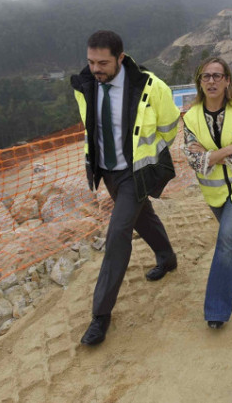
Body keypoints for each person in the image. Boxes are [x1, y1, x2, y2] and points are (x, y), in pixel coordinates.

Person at [71, 30, 179, 346]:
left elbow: (170, 126)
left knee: (118, 232)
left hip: (136, 172)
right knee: (140, 214)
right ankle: (167, 256)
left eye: (102, 62)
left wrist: (151, 156)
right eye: (91, 61)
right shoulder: (85, 84)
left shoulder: (149, 87)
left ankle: (100, 316)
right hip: (106, 170)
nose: (95, 69)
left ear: (120, 58)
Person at [182, 57, 232, 330]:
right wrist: (228, 149)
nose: (212, 81)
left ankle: (216, 308)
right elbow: (195, 162)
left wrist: (209, 156)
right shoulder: (191, 117)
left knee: (226, 236)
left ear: (228, 80)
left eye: (218, 76)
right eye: (206, 76)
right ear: (200, 82)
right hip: (215, 192)